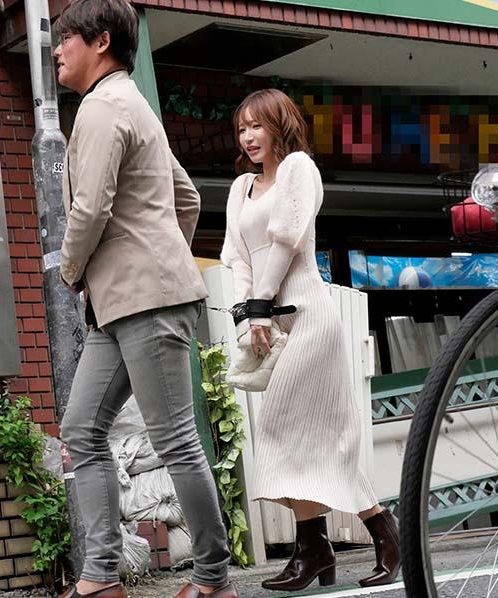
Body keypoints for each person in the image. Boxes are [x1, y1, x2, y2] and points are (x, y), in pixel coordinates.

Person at [53, 2, 236, 598]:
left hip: (142, 303)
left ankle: (214, 582)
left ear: (101, 41)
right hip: (123, 305)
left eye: (66, 38)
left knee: (175, 439)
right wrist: (161, 258)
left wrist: (70, 270)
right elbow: (186, 199)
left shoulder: (104, 107)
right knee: (82, 429)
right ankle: (101, 578)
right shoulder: (132, 105)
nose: (57, 50)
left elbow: (90, 209)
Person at [220, 89, 400, 591]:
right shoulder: (240, 188)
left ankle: (317, 548)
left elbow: (286, 241)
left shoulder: (299, 169)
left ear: (280, 125)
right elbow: (238, 259)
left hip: (309, 317)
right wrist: (247, 318)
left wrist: (261, 306)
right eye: (241, 129)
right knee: (313, 439)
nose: (248, 137)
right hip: (270, 322)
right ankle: (368, 536)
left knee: (283, 427)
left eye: (257, 125)